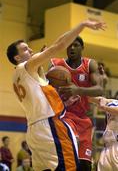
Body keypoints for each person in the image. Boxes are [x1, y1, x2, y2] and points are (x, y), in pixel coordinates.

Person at [6, 19, 105, 171]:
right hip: (49, 127)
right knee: (69, 167)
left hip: (33, 130)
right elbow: (58, 46)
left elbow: (40, 102)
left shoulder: (17, 76)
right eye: (26, 49)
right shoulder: (26, 66)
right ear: (17, 58)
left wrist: (64, 104)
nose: (31, 50)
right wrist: (82, 25)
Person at [51, 36, 105, 171]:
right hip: (63, 117)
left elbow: (99, 89)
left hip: (83, 120)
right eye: (69, 45)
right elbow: (42, 87)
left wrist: (78, 90)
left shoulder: (89, 64)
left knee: (85, 164)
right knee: (68, 161)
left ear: (82, 48)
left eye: (75, 45)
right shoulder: (55, 65)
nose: (72, 48)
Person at [89, 97, 118, 171]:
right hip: (107, 147)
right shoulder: (114, 102)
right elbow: (101, 99)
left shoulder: (110, 107)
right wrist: (81, 94)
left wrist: (104, 107)